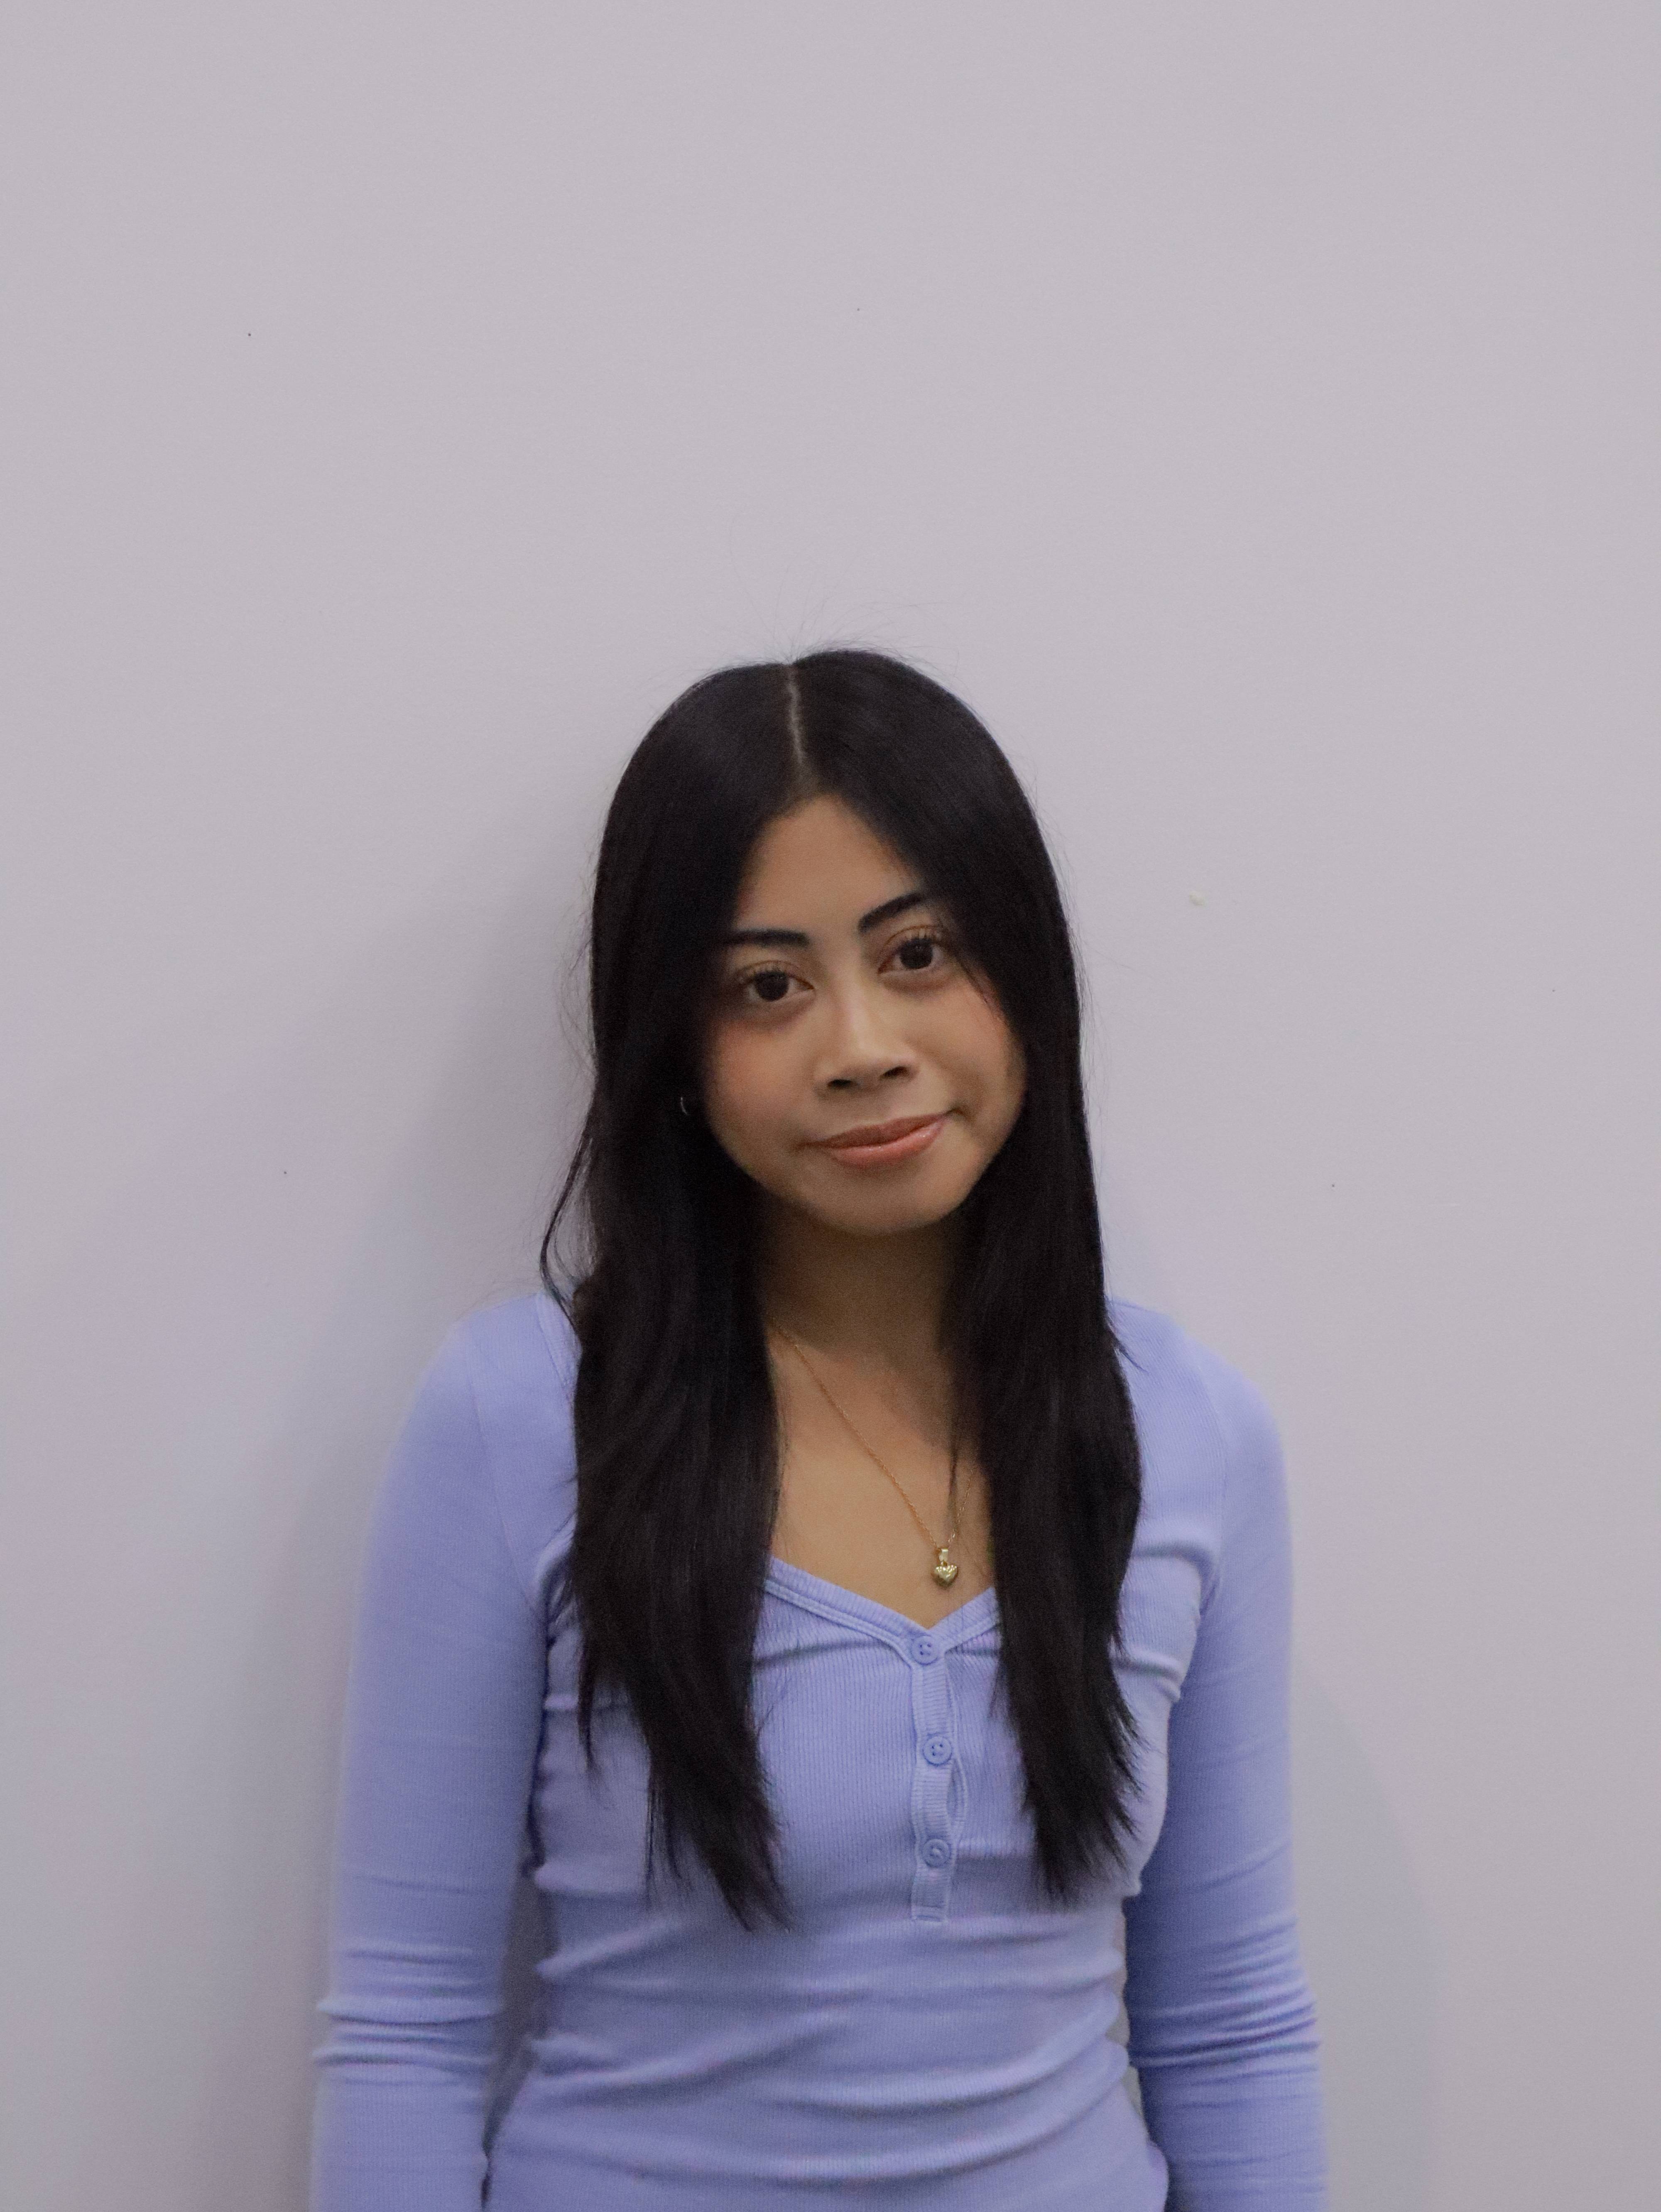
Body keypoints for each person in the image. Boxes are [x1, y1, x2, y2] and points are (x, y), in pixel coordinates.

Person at [309, 649, 1328, 2210]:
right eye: (767, 986)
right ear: (676, 1051)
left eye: (920, 951)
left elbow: (1233, 2030)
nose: (860, 1043)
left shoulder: (1191, 1439)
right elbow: (409, 2032)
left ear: (1027, 980)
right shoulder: (521, 1421)